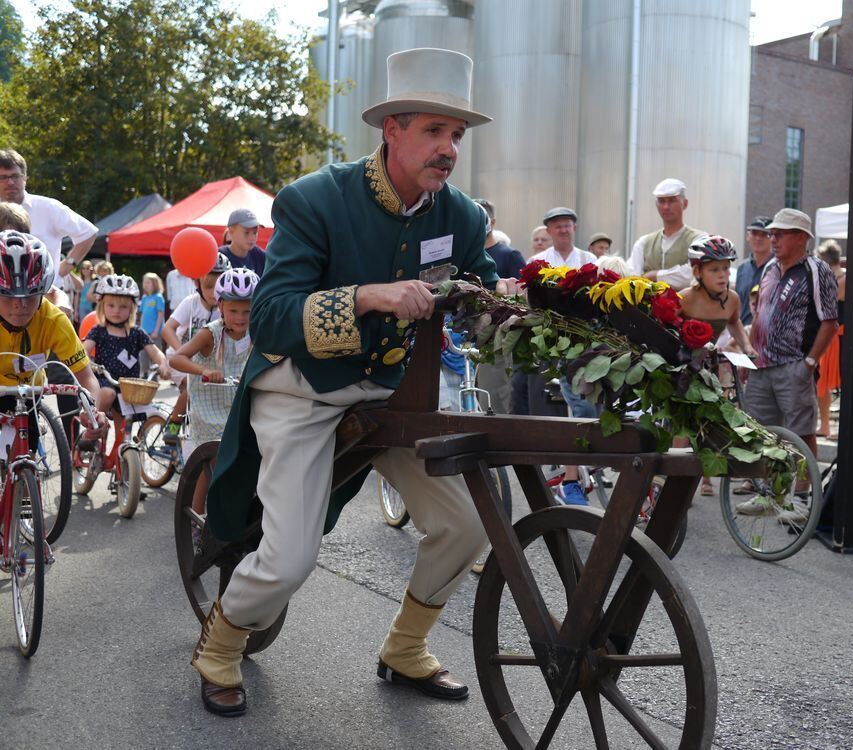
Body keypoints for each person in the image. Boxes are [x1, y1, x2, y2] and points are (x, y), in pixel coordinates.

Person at [190, 47, 518, 718]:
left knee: (465, 525)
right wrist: (369, 296)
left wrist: (504, 303)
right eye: (433, 130)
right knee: (286, 562)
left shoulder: (460, 217)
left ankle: (405, 647)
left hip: (396, 397)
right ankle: (219, 647)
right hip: (301, 390)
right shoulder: (314, 199)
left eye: (456, 135)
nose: (449, 148)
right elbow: (274, 321)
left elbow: (477, 290)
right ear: (390, 129)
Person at [735, 209, 838, 522]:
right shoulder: (769, 268)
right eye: (772, 233)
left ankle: (803, 499)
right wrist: (749, 354)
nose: (773, 238)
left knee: (802, 432)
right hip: (762, 365)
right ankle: (770, 494)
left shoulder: (816, 270)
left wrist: (809, 361)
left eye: (781, 233)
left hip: (794, 364)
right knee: (763, 433)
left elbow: (830, 320)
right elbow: (759, 315)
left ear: (802, 238)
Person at [0, 231, 106, 449]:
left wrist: (92, 410)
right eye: (8, 296)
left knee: (25, 453)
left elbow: (86, 377)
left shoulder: (54, 319)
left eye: (30, 295)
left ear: (44, 292)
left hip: (29, 390)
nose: (19, 305)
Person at [521, 206, 597, 505]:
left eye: (567, 225)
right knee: (579, 403)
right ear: (549, 231)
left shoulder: (588, 259)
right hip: (553, 341)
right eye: (557, 226)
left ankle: (581, 464)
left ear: (574, 229)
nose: (563, 230)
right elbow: (529, 303)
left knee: (594, 401)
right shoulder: (538, 262)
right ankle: (570, 477)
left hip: (587, 338)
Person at [170, 267, 257, 525]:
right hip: (209, 410)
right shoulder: (211, 333)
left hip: (239, 406)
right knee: (214, 459)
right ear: (220, 306)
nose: (241, 317)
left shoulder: (257, 333)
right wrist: (205, 370)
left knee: (255, 452)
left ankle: (246, 510)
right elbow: (177, 359)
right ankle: (196, 519)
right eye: (233, 310)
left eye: (247, 310)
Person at [679, 236, 756, 496]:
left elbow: (734, 322)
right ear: (697, 271)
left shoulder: (732, 298)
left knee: (711, 419)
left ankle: (706, 475)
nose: (723, 275)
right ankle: (673, 478)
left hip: (709, 365)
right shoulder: (684, 299)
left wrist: (746, 346)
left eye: (725, 268)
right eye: (714, 269)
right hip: (681, 365)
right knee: (682, 421)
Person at [0, 149, 98, 285]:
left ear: (25, 178)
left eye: (15, 176)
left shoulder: (48, 207)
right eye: (3, 177)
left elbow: (88, 232)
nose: (10, 182)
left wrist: (66, 266)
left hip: (47, 294)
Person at [160, 253, 230, 442]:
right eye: (209, 286)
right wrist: (181, 351)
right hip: (181, 360)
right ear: (197, 284)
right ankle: (173, 426)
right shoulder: (190, 303)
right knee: (192, 389)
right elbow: (167, 330)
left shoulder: (226, 309)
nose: (214, 292)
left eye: (219, 287)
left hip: (208, 363)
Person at [83, 274, 169, 416]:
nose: (116, 310)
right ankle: (96, 423)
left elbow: (155, 352)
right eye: (111, 305)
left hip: (129, 388)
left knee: (127, 425)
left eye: (123, 306)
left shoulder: (136, 332)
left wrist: (163, 363)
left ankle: (123, 438)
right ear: (102, 306)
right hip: (106, 381)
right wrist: (88, 362)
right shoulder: (98, 331)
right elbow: (84, 351)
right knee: (108, 393)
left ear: (132, 309)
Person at [472, 199, 525, 414]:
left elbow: (522, 297)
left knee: (495, 398)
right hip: (466, 337)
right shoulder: (469, 255)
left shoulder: (509, 255)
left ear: (491, 222)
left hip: (498, 338)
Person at [628, 178, 706, 287]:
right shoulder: (643, 243)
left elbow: (693, 274)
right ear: (656, 205)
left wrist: (653, 275)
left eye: (672, 200)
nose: (666, 207)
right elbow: (631, 278)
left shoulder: (699, 240)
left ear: (685, 204)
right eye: (661, 201)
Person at [815, 240, 846, 438]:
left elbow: (828, 304)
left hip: (839, 336)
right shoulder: (834, 279)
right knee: (822, 383)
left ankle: (836, 427)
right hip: (827, 335)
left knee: (841, 382)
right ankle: (825, 425)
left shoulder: (843, 280)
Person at [735, 216, 773, 326]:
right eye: (754, 233)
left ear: (773, 239)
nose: (758, 238)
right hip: (741, 336)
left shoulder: (778, 268)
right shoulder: (742, 268)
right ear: (748, 236)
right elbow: (738, 305)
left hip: (766, 335)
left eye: (764, 234)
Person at [220, 209, 267, 276]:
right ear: (231, 231)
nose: (252, 237)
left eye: (255, 232)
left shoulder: (260, 256)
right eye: (246, 232)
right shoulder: (219, 258)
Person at [138, 272, 166, 377]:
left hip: (155, 332)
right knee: (143, 354)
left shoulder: (158, 297)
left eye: (148, 282)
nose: (145, 285)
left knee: (155, 354)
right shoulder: (145, 298)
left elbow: (160, 315)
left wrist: (156, 330)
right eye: (144, 282)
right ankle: (145, 373)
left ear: (155, 284)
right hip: (144, 331)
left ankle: (155, 375)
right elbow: (141, 314)